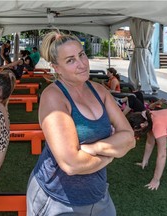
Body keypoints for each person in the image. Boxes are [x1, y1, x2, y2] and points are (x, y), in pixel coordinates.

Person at [26, 31, 135, 215]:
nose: (82, 64)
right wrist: (111, 154)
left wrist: (93, 148)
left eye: (81, 55)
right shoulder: (53, 96)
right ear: (56, 68)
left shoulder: (99, 90)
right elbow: (71, 165)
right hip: (56, 199)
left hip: (98, 193)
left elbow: (129, 138)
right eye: (70, 60)